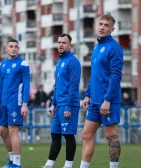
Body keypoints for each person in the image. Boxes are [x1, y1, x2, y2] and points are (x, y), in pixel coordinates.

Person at [80, 14, 123, 168]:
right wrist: (87, 94)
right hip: (94, 101)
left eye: (106, 25)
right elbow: (94, 74)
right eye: (100, 24)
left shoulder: (115, 47)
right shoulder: (97, 47)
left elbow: (115, 76)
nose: (102, 27)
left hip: (108, 101)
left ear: (112, 28)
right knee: (86, 135)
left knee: (111, 136)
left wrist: (107, 99)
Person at [43, 33, 81, 168]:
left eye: (64, 43)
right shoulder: (59, 62)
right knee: (55, 135)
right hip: (59, 104)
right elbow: (58, 85)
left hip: (68, 104)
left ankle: (68, 165)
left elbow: (74, 85)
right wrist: (53, 104)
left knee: (68, 135)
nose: (60, 45)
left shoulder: (74, 62)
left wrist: (68, 106)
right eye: (59, 42)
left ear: (69, 46)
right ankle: (49, 164)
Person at [0, 38, 30, 168]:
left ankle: (17, 162)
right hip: (3, 102)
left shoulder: (23, 64)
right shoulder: (2, 65)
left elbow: (27, 84)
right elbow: (0, 85)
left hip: (16, 102)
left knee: (13, 130)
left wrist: (25, 104)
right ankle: (11, 159)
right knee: (2, 131)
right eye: (11, 46)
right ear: (6, 48)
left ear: (18, 49)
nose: (13, 48)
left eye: (16, 46)